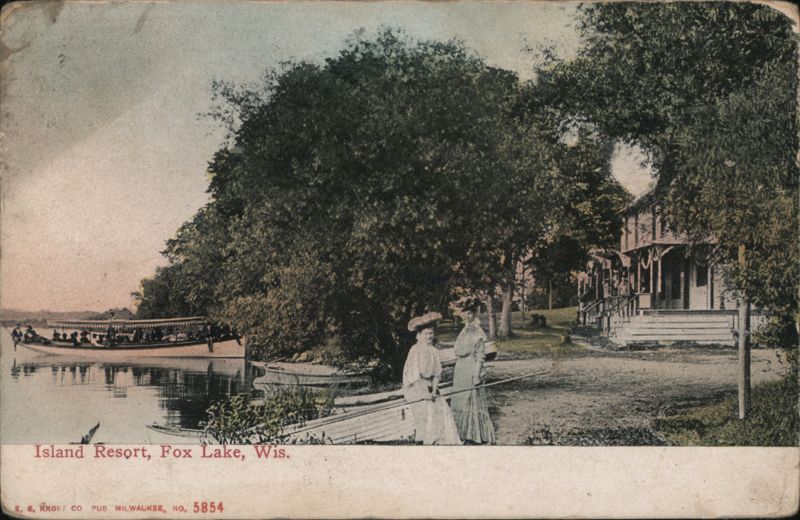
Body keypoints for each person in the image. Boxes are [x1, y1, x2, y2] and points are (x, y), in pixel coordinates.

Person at [402, 312, 462, 445]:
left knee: (441, 408)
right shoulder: (415, 350)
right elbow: (413, 376)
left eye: (431, 333)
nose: (429, 336)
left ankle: (437, 441)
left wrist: (434, 391)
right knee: (424, 414)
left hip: (430, 386)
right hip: (415, 388)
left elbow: (436, 374)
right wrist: (424, 394)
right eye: (426, 334)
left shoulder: (433, 350)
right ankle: (422, 441)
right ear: (420, 335)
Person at [449, 298, 496, 444]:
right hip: (461, 370)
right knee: (461, 401)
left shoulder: (477, 331)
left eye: (470, 313)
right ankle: (462, 433)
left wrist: (476, 375)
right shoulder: (464, 330)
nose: (466, 316)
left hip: (471, 369)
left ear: (474, 314)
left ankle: (474, 434)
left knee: (471, 401)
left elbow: (480, 356)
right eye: (464, 313)